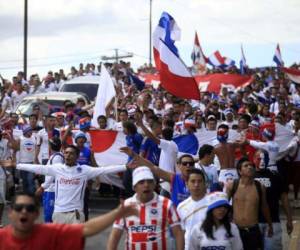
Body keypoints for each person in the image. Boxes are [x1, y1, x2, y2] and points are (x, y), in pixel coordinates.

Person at [1, 145, 128, 224]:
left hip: (76, 215)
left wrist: (126, 166)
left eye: (71, 153)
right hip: (58, 214)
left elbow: (104, 169)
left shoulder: (84, 170)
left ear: (77, 156)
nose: (68, 155)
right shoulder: (57, 168)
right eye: (66, 153)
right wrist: (16, 165)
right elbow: (38, 168)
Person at [0, 191, 138, 250]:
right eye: (19, 208)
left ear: (36, 214)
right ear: (10, 213)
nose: (24, 211)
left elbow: (86, 229)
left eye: (29, 208)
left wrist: (116, 213)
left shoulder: (49, 232)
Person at [106, 166, 184, 250]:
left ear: (154, 184)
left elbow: (178, 233)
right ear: (134, 187)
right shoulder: (126, 206)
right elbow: (114, 236)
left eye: (150, 181)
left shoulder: (167, 204)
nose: (146, 185)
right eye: (141, 182)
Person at [121, 147, 194, 207]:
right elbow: (153, 167)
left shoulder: (200, 179)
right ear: (179, 165)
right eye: (185, 163)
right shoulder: (174, 178)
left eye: (191, 164)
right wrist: (133, 155)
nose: (188, 166)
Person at [226, 157, 273, 250]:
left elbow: (264, 207)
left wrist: (270, 224)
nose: (250, 167)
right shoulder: (232, 185)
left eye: (251, 165)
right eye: (246, 166)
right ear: (240, 171)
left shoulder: (260, 186)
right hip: (236, 230)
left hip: (253, 230)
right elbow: (225, 206)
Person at [253, 149, 293, 250]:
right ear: (253, 160)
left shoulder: (275, 176)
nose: (262, 162)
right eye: (259, 159)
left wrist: (289, 219)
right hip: (253, 223)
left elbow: (284, 198)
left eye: (265, 159)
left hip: (273, 221)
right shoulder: (248, 177)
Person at [135, 113, 178, 198]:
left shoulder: (167, 144)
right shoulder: (170, 144)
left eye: (162, 128)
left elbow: (153, 137)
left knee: (161, 201)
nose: (161, 130)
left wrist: (142, 126)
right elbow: (142, 153)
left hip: (164, 177)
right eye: (160, 127)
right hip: (154, 171)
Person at [177, 169, 208, 250]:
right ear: (187, 184)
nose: (196, 184)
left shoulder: (213, 203)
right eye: (193, 181)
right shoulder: (181, 207)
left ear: (205, 184)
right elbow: (181, 233)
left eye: (200, 181)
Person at [35, 137, 64, 223]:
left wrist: (42, 187)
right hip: (51, 189)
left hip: (52, 190)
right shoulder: (55, 156)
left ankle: (50, 233)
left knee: (49, 215)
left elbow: (54, 174)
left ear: (51, 146)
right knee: (49, 214)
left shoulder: (57, 158)